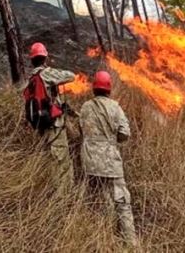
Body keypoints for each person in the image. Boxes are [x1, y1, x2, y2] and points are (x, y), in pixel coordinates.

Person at [79, 70, 138, 247]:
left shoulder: (85, 107)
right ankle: (130, 244)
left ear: (94, 88)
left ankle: (103, 241)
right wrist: (113, 140)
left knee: (98, 200)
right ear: (108, 89)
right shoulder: (115, 107)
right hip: (110, 162)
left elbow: (82, 130)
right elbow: (125, 134)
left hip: (89, 161)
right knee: (122, 202)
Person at [27, 42, 76, 189]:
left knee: (51, 159)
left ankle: (55, 192)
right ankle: (64, 198)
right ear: (44, 58)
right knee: (61, 162)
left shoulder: (31, 78)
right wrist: (54, 71)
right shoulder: (46, 73)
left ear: (32, 60)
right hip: (54, 125)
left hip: (41, 124)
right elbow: (71, 76)